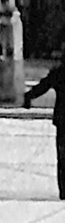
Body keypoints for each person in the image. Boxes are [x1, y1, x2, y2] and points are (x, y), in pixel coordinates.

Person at [24, 54, 65, 200]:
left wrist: (28, 97)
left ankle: (64, 190)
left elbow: (44, 86)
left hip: (62, 119)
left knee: (62, 157)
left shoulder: (60, 72)